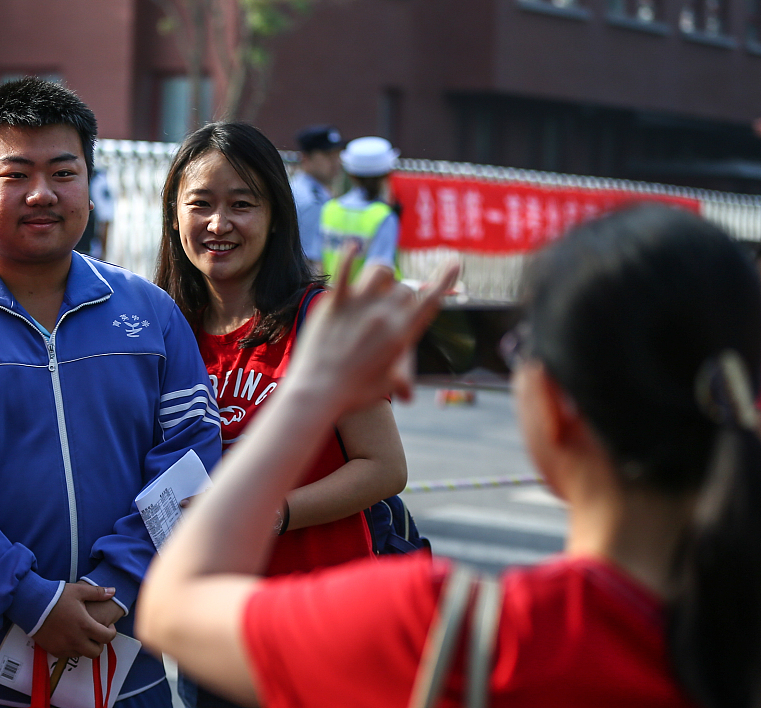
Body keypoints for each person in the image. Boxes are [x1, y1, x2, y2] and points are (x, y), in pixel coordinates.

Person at [138, 205, 761, 708]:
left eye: (516, 351)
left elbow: (173, 609)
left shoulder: (457, 634)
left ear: (555, 407)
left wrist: (310, 391)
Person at [0, 77, 222, 708]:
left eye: (64, 171)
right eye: (15, 174)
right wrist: (30, 600)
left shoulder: (152, 314)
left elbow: (191, 462)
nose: (43, 194)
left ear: (89, 183)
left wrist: (115, 586)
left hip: (124, 664)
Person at [156, 121, 409, 708]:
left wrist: (277, 513)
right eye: (201, 204)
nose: (219, 224)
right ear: (174, 216)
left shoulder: (322, 318)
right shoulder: (162, 328)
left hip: (326, 622)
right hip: (213, 625)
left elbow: (384, 467)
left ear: (275, 216)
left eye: (242, 204)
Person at [320, 136, 401, 283]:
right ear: (388, 173)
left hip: (329, 298)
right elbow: (378, 272)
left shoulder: (329, 209)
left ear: (351, 174)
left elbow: (316, 262)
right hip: (366, 303)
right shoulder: (384, 216)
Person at [289, 124, 345, 272]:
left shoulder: (303, 188)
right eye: (327, 155)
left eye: (337, 154)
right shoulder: (312, 199)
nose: (335, 162)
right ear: (306, 158)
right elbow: (309, 260)